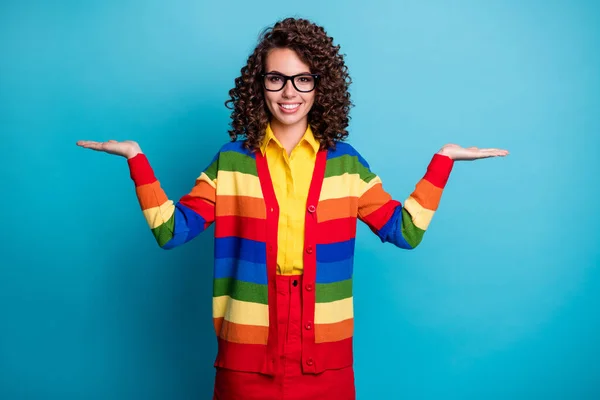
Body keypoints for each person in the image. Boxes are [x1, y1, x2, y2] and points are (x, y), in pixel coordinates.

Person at [77, 17, 508, 400]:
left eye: (303, 79)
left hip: (326, 361)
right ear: (258, 85)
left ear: (321, 87)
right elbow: (171, 232)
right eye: (276, 78)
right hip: (245, 360)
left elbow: (405, 231)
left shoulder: (347, 164)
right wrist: (137, 160)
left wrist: (443, 163)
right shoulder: (232, 162)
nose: (289, 92)